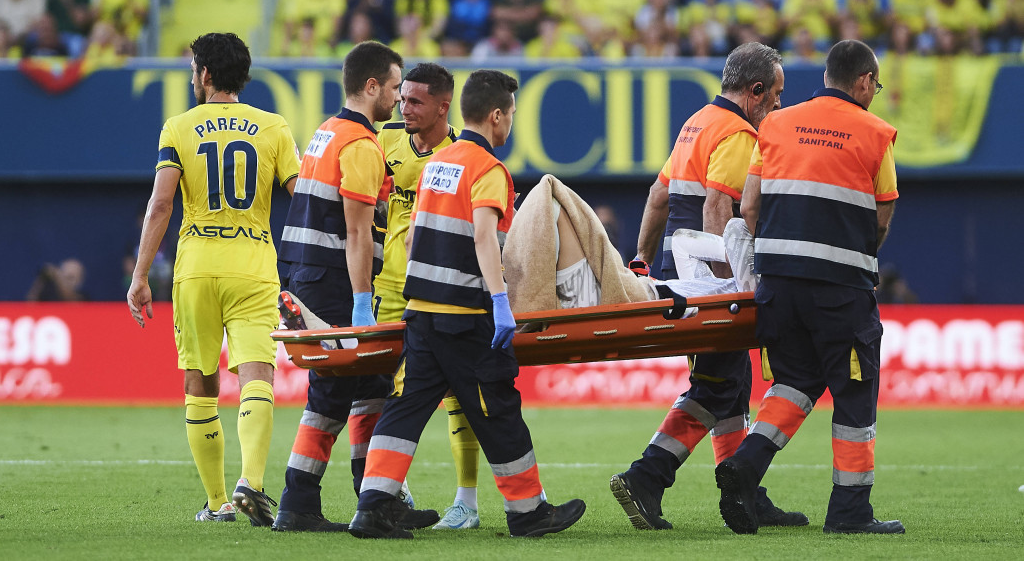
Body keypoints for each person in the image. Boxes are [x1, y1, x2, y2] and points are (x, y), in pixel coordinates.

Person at [348, 70, 586, 540]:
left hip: (421, 313)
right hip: (465, 319)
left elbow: (414, 235)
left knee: (405, 408)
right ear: (496, 116)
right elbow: (483, 235)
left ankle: (372, 506)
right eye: (512, 114)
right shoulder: (488, 169)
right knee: (496, 408)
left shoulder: (440, 163)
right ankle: (528, 511)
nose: (512, 123)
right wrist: (500, 300)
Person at [609, 42, 807, 531]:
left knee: (732, 385)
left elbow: (658, 197)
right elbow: (718, 207)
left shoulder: (695, 123)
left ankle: (742, 494)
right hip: (711, 282)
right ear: (756, 91)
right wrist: (731, 288)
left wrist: (640, 262)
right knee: (716, 386)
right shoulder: (739, 133)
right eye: (777, 95)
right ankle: (647, 475)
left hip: (681, 275)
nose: (779, 105)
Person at [716, 39, 904, 536]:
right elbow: (882, 215)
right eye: (875, 85)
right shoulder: (876, 133)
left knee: (796, 381)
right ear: (863, 81)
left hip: (777, 285)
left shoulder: (775, 124)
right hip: (841, 288)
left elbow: (749, 207)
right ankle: (849, 512)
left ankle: (746, 464)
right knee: (855, 394)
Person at [126, 32, 300, 525]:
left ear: (204, 74)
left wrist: (141, 276)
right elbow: (301, 194)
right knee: (256, 376)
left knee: (200, 381)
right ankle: (254, 481)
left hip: (198, 267)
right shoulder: (273, 127)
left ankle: (219, 501)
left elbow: (161, 205)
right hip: (254, 268)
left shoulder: (178, 128)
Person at [273, 41, 438, 533]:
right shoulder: (361, 146)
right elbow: (359, 230)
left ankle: (375, 496)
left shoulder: (326, 133)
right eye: (393, 88)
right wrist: (363, 302)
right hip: (333, 284)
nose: (397, 99)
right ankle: (304, 503)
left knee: (370, 385)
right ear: (372, 87)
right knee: (332, 394)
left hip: (307, 273)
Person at [373, 62, 485, 530]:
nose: (405, 107)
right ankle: (387, 490)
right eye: (403, 99)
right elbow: (368, 207)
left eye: (415, 101)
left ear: (444, 106)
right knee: (380, 388)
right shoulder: (384, 140)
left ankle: (466, 501)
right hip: (388, 288)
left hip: (439, 287)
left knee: (460, 392)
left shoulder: (463, 151)